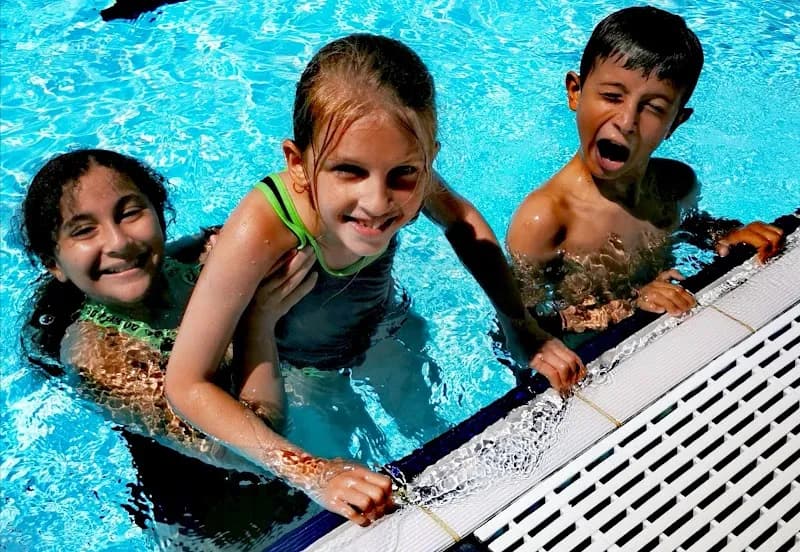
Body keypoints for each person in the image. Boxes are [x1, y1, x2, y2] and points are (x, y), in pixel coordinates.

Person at [165, 33, 586, 527]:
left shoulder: (402, 165)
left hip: (379, 320)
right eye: (349, 170)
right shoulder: (263, 227)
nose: (379, 201)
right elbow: (185, 383)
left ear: (428, 158)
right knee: (345, 469)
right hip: (298, 365)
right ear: (298, 165)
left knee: (432, 431)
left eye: (406, 174)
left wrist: (518, 324)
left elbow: (461, 222)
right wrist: (312, 472)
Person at [18, 148, 313, 547]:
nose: (119, 241)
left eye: (129, 213)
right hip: (223, 526)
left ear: (160, 216)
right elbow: (254, 449)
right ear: (53, 263)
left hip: (298, 471)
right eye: (83, 230)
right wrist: (256, 322)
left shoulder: (191, 265)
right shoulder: (98, 356)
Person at [506, 6, 783, 340]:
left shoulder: (675, 185)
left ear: (676, 123)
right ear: (575, 92)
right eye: (611, 96)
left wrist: (725, 234)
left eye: (653, 108)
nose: (626, 122)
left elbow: (690, 225)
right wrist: (631, 306)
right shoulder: (543, 221)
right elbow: (519, 329)